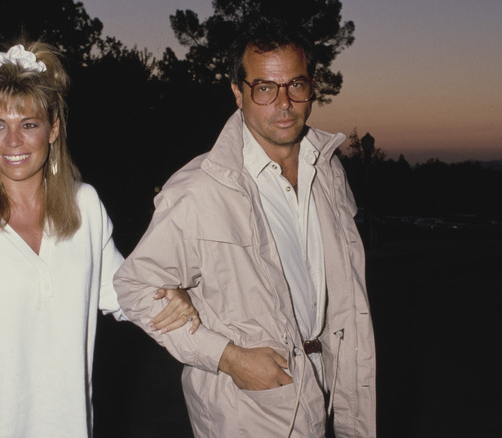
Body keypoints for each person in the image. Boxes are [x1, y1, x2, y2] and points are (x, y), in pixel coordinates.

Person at [0, 41, 200, 438]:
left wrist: (175, 297)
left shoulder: (86, 206)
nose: (13, 142)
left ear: (54, 128)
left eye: (28, 124)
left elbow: (126, 296)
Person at [113, 17, 376, 438]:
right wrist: (229, 358)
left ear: (312, 88)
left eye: (297, 84)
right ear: (239, 93)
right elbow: (136, 287)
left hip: (322, 387)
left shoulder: (327, 171)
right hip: (243, 409)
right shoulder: (200, 187)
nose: (284, 102)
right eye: (265, 87)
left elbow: (341, 298)